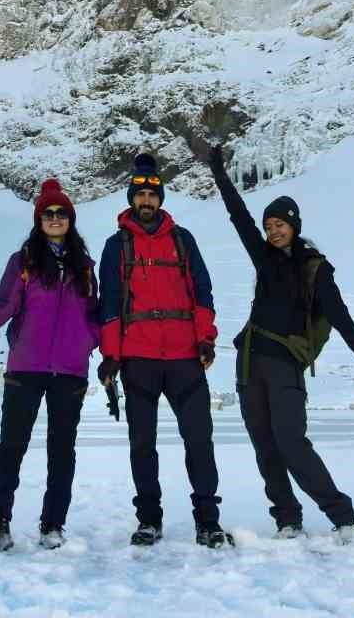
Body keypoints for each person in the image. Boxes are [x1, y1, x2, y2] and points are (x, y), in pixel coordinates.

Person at [207, 144, 354, 544]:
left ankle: (343, 516)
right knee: (265, 446)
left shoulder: (314, 268)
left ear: (295, 224)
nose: (273, 231)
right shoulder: (264, 258)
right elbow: (238, 216)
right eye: (269, 225)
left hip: (285, 365)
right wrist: (218, 171)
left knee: (291, 442)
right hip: (250, 363)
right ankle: (287, 518)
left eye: (280, 224)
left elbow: (337, 313)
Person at [97, 152, 231, 548]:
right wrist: (110, 355)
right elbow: (109, 305)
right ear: (131, 199)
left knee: (199, 440)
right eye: (140, 195)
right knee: (142, 443)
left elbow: (202, 292)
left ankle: (208, 519)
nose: (146, 203)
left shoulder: (182, 240)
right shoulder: (116, 246)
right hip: (138, 360)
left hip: (185, 357)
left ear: (161, 199)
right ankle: (149, 519)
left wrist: (205, 337)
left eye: (153, 195)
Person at [0, 178, 99, 552]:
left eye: (61, 214)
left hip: (70, 371)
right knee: (12, 445)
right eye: (48, 214)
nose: (55, 219)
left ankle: (53, 523)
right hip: (26, 365)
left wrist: (89, 341)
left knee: (62, 449)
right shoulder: (22, 262)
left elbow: (94, 315)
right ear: (39, 220)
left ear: (70, 220)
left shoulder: (85, 266)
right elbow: (4, 305)